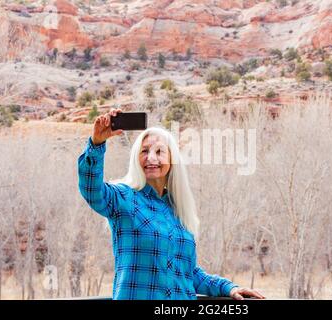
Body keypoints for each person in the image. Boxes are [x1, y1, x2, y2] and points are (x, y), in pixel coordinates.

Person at [77, 108, 265, 300]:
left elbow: (188, 274)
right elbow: (92, 190)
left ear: (171, 159)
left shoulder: (179, 210)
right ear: (136, 158)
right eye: (144, 151)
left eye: (159, 151)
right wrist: (97, 143)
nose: (151, 158)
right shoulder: (123, 197)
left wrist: (229, 288)